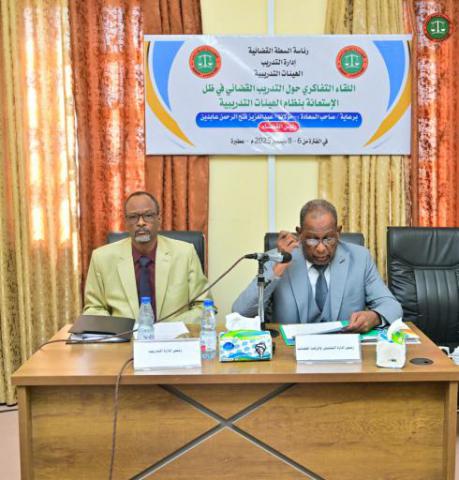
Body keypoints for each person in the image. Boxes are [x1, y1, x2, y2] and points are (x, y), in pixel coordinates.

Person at [232, 199, 402, 333]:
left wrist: (375, 316)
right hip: (291, 356)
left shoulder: (359, 258)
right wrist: (277, 270)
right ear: (299, 234)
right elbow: (240, 312)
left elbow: (392, 307)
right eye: (312, 239)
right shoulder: (278, 258)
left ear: (338, 232)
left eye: (328, 238)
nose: (321, 248)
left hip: (344, 353)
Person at [83, 191, 209, 323]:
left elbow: (204, 306)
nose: (141, 223)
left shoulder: (185, 253)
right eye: (133, 217)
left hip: (174, 334)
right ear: (126, 222)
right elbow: (93, 308)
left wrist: (169, 328)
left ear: (159, 219)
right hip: (125, 335)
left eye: (148, 216)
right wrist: (120, 328)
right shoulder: (102, 258)